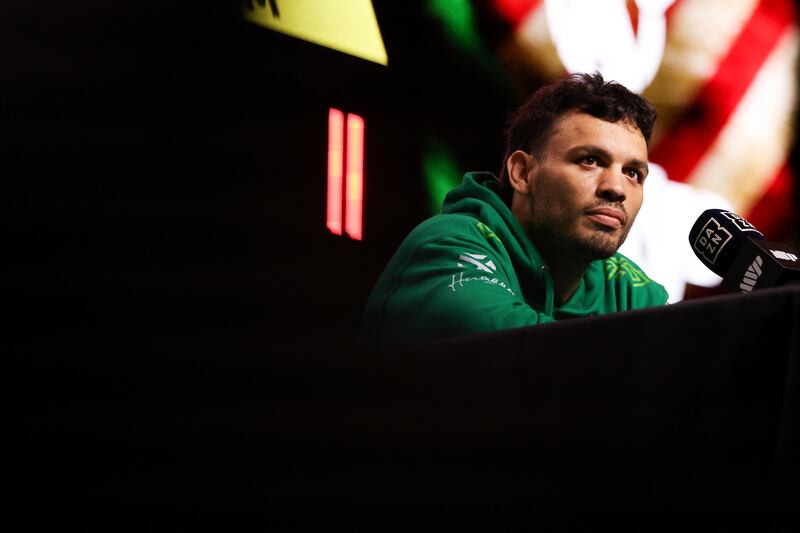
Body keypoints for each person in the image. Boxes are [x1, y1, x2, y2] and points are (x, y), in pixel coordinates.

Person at [360, 72, 668, 346]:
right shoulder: (445, 244)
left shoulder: (626, 286)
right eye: (590, 160)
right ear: (522, 173)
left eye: (633, 173)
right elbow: (524, 354)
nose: (616, 187)